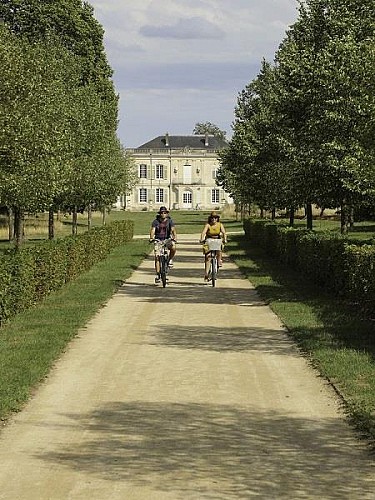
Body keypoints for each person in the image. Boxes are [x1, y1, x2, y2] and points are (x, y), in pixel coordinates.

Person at [150, 206, 177, 283]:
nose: (163, 214)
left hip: (167, 239)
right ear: (160, 213)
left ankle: (170, 259)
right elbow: (153, 230)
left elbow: (173, 230)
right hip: (158, 240)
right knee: (157, 257)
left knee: (173, 247)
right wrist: (151, 238)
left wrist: (175, 238)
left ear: (167, 214)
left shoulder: (170, 221)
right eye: (162, 213)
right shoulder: (156, 221)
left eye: (164, 213)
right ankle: (158, 275)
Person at [200, 211, 227, 282]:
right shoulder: (208, 225)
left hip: (217, 239)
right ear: (210, 219)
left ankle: (219, 260)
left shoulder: (220, 225)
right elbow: (203, 232)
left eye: (215, 218)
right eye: (212, 218)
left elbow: (224, 232)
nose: (214, 219)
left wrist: (225, 239)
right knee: (208, 257)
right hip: (209, 239)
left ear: (217, 219)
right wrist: (202, 238)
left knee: (219, 249)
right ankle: (206, 274)